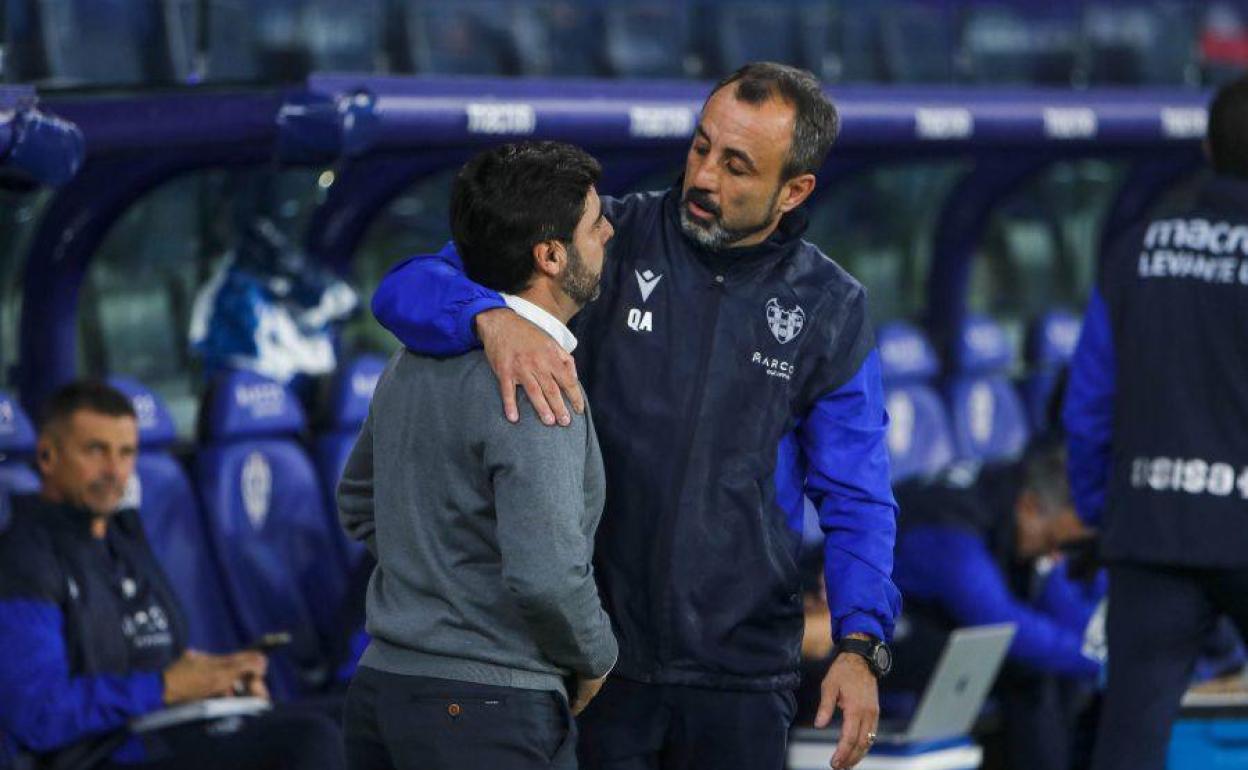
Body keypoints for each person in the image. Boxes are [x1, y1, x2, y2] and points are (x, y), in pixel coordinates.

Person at [370, 62, 900, 770]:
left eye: (737, 166)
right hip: (595, 667)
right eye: (701, 146)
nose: (704, 177)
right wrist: (488, 315)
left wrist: (861, 646)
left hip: (738, 675)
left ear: (794, 190)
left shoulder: (832, 308)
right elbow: (404, 288)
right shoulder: (601, 241)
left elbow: (858, 493)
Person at [336, 141, 619, 770]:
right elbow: (546, 575)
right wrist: (596, 656)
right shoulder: (540, 381)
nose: (610, 230)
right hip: (486, 711)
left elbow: (356, 500)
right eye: (596, 223)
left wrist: (438, 577)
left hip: (383, 691)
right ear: (550, 256)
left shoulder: (407, 362)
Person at [0, 381, 344, 770]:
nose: (115, 471)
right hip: (105, 752)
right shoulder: (24, 558)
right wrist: (166, 687)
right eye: (95, 451)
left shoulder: (124, 537)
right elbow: (37, 715)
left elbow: (160, 653)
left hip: (173, 725)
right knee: (309, 743)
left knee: (355, 719)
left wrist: (217, 678)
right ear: (47, 455)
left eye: (126, 452)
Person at [1064, 74, 1248, 770]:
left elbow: (1088, 402)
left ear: (1206, 147)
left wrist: (1097, 508)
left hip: (1151, 528)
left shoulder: (1137, 246)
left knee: (1129, 743)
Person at [887, 441, 1103, 770]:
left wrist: (1105, 652)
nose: (1056, 557)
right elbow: (999, 624)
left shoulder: (1019, 500)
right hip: (861, 635)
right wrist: (1107, 663)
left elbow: (1062, 608)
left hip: (933, 623)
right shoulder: (949, 528)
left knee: (1062, 672)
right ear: (1030, 507)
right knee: (1026, 670)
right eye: (1052, 543)